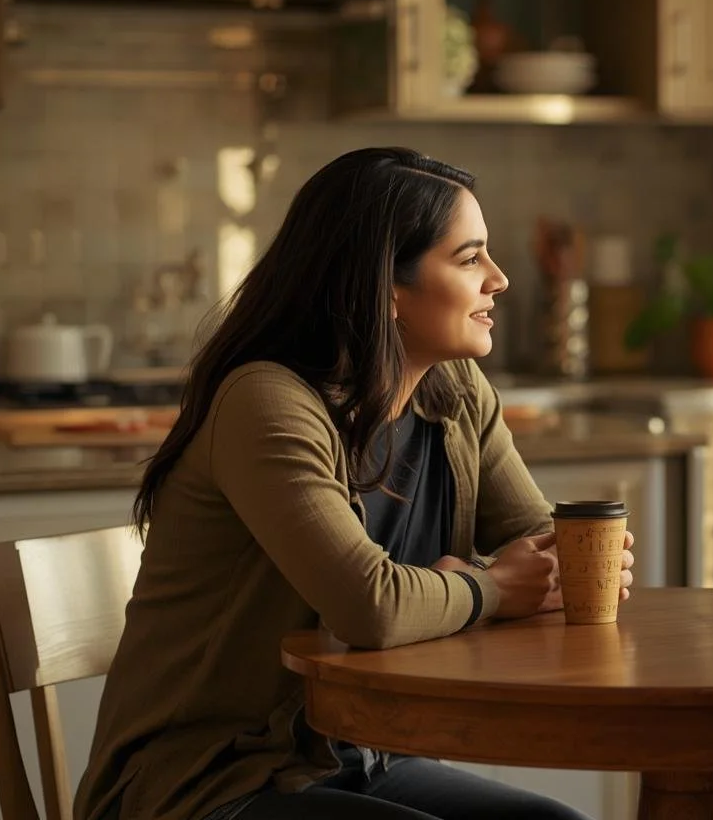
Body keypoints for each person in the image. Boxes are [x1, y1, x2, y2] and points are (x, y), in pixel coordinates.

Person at [74, 147, 634, 820]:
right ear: (387, 287)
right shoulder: (268, 403)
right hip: (209, 785)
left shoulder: (454, 394)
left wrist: (535, 574)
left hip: (367, 756)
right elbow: (371, 607)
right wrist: (491, 587)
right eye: (469, 258)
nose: (500, 279)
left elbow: (550, 556)